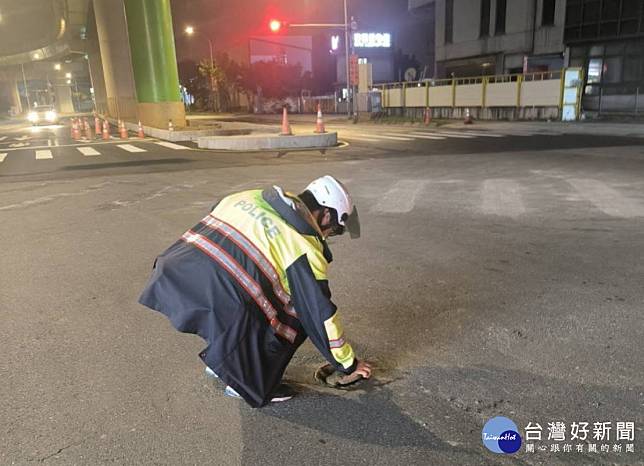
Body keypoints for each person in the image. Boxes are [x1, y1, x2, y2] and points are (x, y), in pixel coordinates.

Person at [139, 175, 372, 407]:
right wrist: (348, 363)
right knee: (292, 313)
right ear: (326, 214)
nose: (329, 235)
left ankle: (222, 361)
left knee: (243, 285)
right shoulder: (303, 247)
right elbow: (320, 316)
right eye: (333, 229)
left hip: (175, 272)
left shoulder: (250, 196)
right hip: (218, 297)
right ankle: (243, 381)